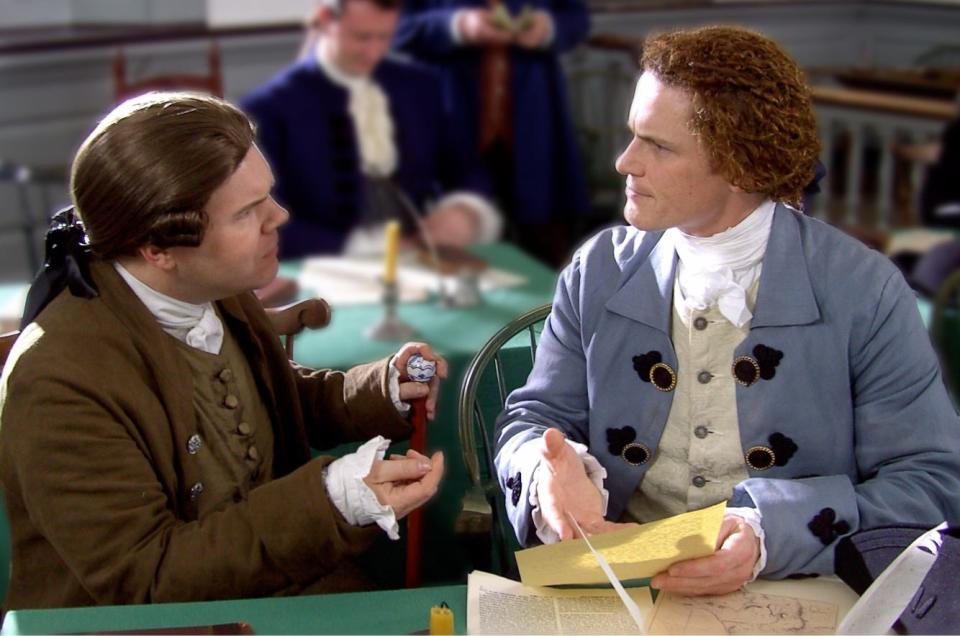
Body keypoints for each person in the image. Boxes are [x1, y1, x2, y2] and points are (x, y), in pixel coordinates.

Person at [494, 25, 960, 595]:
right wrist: (547, 473)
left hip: (798, 585)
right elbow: (532, 420)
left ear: (743, 165)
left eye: (657, 145)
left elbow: (933, 482)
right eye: (632, 136)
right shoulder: (599, 270)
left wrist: (769, 530)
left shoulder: (864, 290)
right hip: (619, 586)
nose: (624, 162)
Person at [0, 92, 449, 609]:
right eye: (246, 213)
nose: (279, 217)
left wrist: (382, 389)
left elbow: (267, 400)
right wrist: (332, 499)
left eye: (269, 198)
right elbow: (146, 578)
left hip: (272, 594)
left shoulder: (210, 288)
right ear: (157, 249)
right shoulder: (58, 381)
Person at [242, 0, 500, 259]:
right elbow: (263, 221)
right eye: (361, 37)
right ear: (324, 20)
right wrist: (363, 247)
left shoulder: (420, 86)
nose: (374, 52)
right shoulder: (269, 107)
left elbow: (467, 170)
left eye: (384, 37)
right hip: (326, 267)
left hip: (422, 260)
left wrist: (465, 210)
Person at [394, 0, 591, 267]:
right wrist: (457, 25)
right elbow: (394, 26)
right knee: (445, 250)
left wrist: (549, 28)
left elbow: (576, 17)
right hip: (449, 120)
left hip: (533, 121)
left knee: (544, 244)